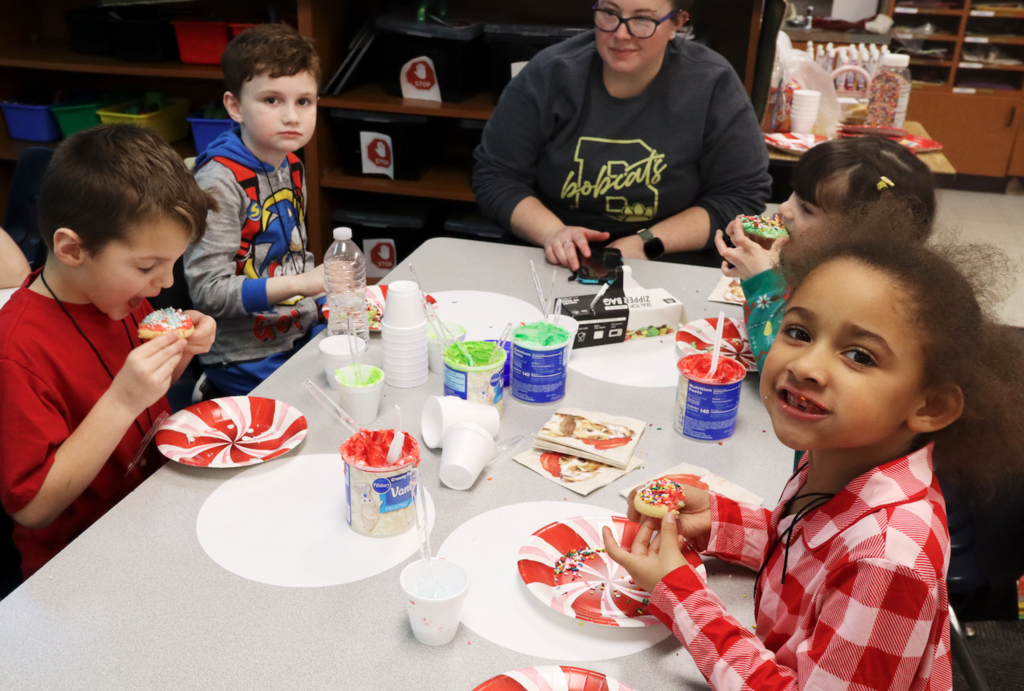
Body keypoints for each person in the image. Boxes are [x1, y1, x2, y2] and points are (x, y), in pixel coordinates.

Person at [604, 231, 1024, 690]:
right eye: (798, 332)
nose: (806, 365)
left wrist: (682, 596)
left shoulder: (888, 561)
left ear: (930, 407)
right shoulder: (835, 455)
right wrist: (721, 521)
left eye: (859, 356)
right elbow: (812, 554)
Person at [0, 125, 219, 578]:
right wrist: (123, 399)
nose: (163, 283)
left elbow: (142, 400)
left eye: (172, 263)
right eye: (147, 266)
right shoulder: (17, 352)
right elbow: (33, 507)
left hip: (150, 514)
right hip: (75, 566)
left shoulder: (119, 295)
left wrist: (177, 356)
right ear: (72, 249)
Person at [472, 0, 771, 271]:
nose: (621, 34)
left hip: (667, 259)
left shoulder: (712, 82)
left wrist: (647, 242)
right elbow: (496, 175)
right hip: (552, 258)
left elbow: (742, 194)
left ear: (677, 23)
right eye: (610, 13)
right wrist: (553, 233)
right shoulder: (549, 74)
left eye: (642, 19)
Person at [185, 23, 325, 397]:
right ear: (235, 106)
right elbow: (208, 291)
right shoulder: (219, 181)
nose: (292, 116)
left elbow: (294, 254)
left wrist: (326, 296)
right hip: (244, 355)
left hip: (297, 330)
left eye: (304, 101)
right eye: (272, 100)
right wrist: (302, 284)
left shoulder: (289, 163)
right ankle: (209, 389)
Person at [716, 136, 936, 371]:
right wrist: (764, 252)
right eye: (794, 193)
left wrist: (765, 281)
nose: (784, 208)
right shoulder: (816, 256)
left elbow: (782, 365)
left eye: (806, 209)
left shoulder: (862, 295)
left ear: (859, 238)